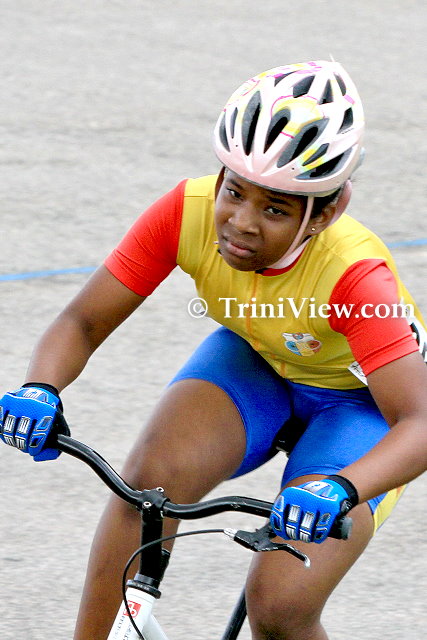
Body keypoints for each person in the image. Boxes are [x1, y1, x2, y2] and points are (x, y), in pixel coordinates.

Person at [1, 60, 426, 640]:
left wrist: (343, 488)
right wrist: (40, 388)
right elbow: (82, 321)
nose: (241, 223)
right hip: (259, 362)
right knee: (147, 489)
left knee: (279, 606)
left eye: (275, 208)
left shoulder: (356, 277)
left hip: (360, 405)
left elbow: (418, 422)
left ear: (324, 213)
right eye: (234, 191)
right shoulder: (187, 211)